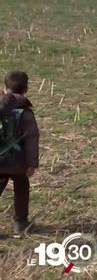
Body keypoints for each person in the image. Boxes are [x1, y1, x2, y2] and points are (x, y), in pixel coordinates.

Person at [0, 71, 39, 237]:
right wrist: (32, 163)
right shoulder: (26, 113)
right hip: (20, 164)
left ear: (4, 88)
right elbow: (32, 139)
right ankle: (20, 223)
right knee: (21, 190)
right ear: (26, 89)